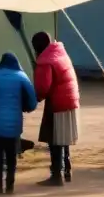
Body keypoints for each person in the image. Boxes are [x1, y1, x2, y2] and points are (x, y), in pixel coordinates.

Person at [0, 52, 36, 195]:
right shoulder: (22, 77)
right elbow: (33, 101)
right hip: (14, 126)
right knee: (12, 157)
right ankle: (10, 186)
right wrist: (26, 107)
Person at [32, 32, 80, 186]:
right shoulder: (59, 52)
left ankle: (56, 175)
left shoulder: (45, 61)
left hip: (58, 102)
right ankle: (67, 170)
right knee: (64, 136)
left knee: (55, 138)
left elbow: (43, 87)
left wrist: (35, 98)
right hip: (71, 99)